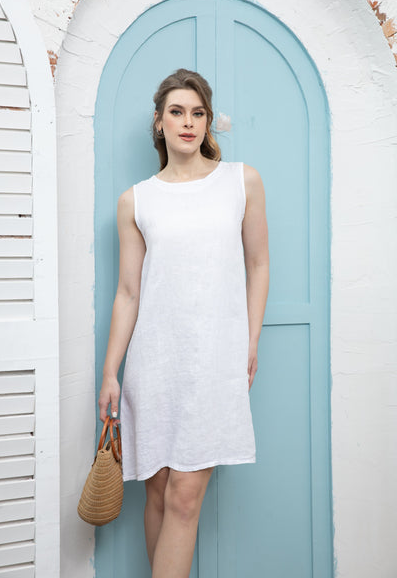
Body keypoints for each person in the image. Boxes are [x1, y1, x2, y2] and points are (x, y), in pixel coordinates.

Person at [98, 68, 269, 577]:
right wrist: (110, 372)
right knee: (157, 493)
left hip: (214, 361)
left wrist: (250, 340)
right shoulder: (136, 200)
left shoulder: (241, 181)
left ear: (208, 121)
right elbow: (128, 292)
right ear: (159, 122)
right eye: (177, 112)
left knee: (185, 496)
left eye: (198, 113)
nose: (188, 122)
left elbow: (259, 264)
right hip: (153, 363)